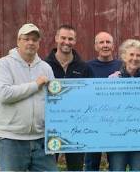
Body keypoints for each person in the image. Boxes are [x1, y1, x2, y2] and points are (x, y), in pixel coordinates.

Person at [0, 23, 57, 172]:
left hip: (41, 138)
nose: (31, 42)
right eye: (26, 38)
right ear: (18, 41)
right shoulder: (4, 64)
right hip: (11, 138)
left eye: (35, 39)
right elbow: (4, 94)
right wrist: (35, 85)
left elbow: (54, 100)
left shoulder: (45, 67)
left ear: (39, 43)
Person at [45, 24, 94, 171]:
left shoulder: (84, 67)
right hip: (50, 127)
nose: (67, 42)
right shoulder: (44, 66)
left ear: (75, 41)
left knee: (76, 167)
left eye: (70, 39)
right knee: (48, 167)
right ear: (56, 39)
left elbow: (91, 97)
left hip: (76, 127)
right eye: (63, 38)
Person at [108, 39, 140, 171]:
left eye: (138, 55)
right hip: (117, 140)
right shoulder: (112, 79)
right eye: (131, 54)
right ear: (124, 56)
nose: (135, 58)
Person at [85, 31, 122, 171]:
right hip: (93, 124)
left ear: (113, 46)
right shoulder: (87, 67)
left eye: (108, 42)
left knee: (116, 164)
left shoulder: (122, 66)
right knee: (91, 164)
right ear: (95, 46)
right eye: (101, 42)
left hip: (116, 124)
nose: (105, 45)